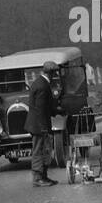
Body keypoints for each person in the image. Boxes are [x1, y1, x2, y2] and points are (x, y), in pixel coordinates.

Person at [27, 60, 60, 188]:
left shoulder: (40, 83)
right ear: (51, 73)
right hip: (39, 126)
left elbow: (45, 107)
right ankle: (37, 178)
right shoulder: (42, 86)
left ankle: (44, 176)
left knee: (45, 150)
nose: (55, 75)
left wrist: (57, 111)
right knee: (39, 150)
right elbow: (40, 109)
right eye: (55, 73)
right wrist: (43, 128)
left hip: (39, 124)